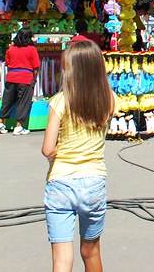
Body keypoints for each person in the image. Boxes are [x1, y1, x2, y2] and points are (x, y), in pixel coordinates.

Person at [41, 40, 116, 272]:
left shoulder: (60, 102)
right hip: (94, 181)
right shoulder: (109, 99)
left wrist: (57, 156)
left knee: (62, 259)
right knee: (91, 251)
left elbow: (47, 148)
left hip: (61, 182)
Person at [0, 28, 40, 136]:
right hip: (25, 78)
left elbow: (8, 63)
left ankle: (0, 122)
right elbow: (36, 67)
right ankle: (19, 126)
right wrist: (34, 78)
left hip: (11, 77)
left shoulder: (11, 49)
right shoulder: (31, 49)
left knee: (7, 101)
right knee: (23, 102)